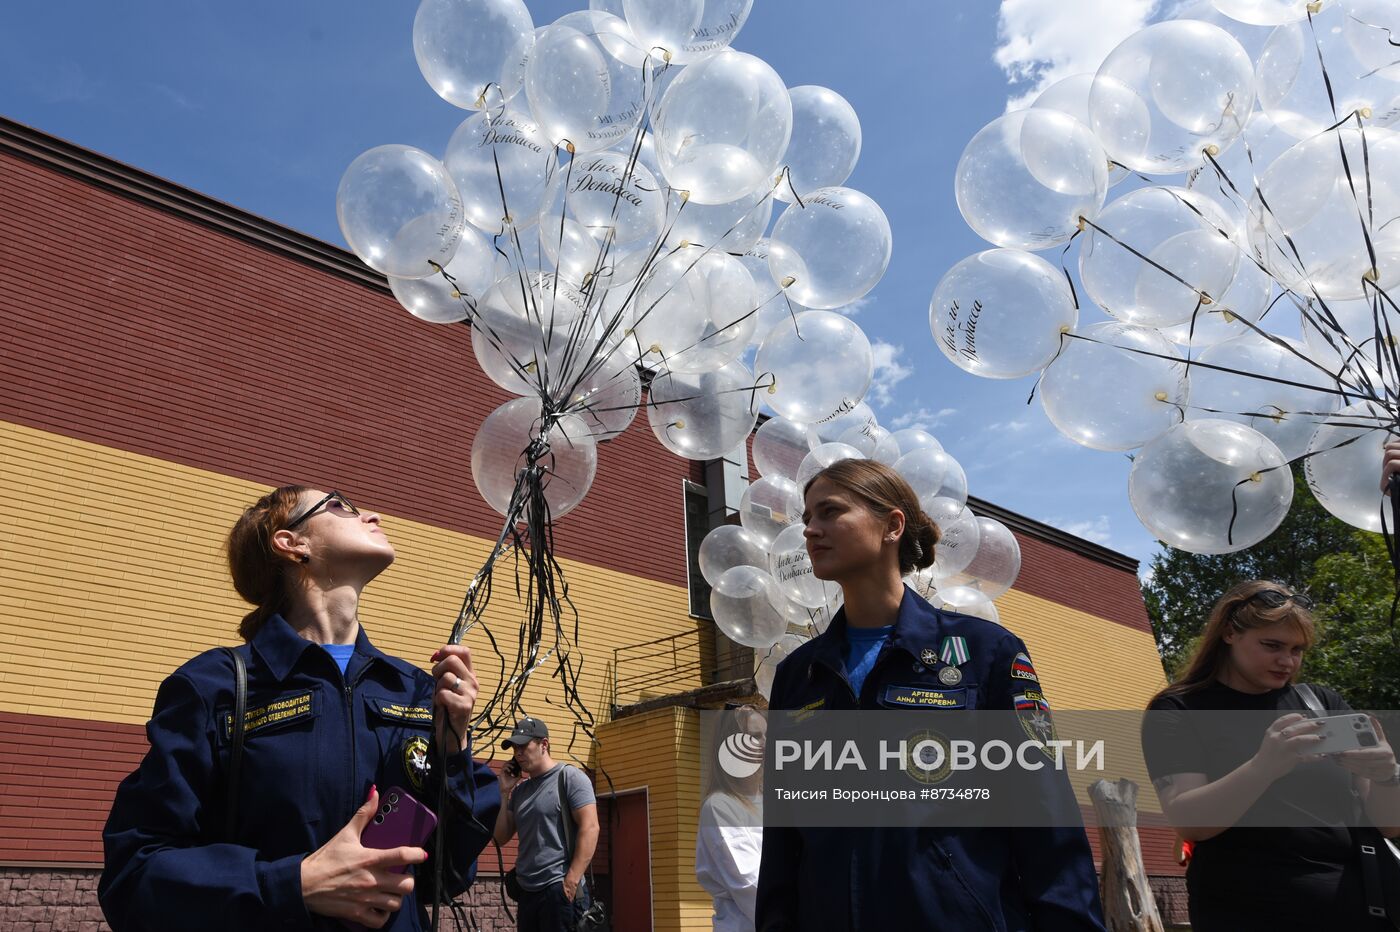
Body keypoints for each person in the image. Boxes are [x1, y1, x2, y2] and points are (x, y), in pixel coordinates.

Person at [99, 486, 501, 931]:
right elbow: (133, 876)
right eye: (339, 505)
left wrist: (454, 748)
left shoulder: (414, 690)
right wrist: (293, 883)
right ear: (291, 543)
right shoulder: (215, 686)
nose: (372, 513)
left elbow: (448, 875)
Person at [755, 458, 1107, 931]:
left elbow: (1046, 818)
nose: (810, 531)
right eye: (807, 519)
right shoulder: (799, 674)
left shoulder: (987, 653)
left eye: (829, 512)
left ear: (891, 526)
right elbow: (783, 841)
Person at [1143, 579, 1400, 931]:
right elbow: (1190, 822)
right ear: (1230, 633)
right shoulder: (1179, 709)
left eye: (1298, 649)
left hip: (1357, 908)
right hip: (1245, 911)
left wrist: (1388, 774)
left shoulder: (1321, 704)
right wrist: (1264, 767)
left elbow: (1389, 823)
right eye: (1272, 645)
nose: (1287, 661)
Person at [494, 716, 600, 931]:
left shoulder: (569, 778)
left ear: (544, 744)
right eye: (514, 748)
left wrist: (571, 881)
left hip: (558, 889)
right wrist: (504, 792)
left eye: (523, 746)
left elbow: (590, 828)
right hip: (528, 891)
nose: (518, 754)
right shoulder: (520, 791)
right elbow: (501, 837)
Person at [695, 705, 765, 932]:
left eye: (767, 735)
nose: (765, 743)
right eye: (755, 736)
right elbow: (749, 884)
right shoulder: (719, 806)